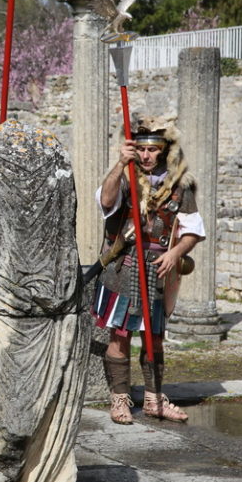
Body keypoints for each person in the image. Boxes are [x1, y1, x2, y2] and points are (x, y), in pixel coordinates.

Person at [91, 115, 204, 425]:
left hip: (158, 270)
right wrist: (118, 164)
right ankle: (120, 400)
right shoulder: (125, 176)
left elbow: (194, 229)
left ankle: (154, 400)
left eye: (153, 149)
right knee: (120, 335)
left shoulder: (181, 185)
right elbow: (105, 201)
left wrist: (177, 253)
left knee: (154, 338)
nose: (145, 156)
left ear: (164, 149)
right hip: (122, 267)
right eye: (141, 150)